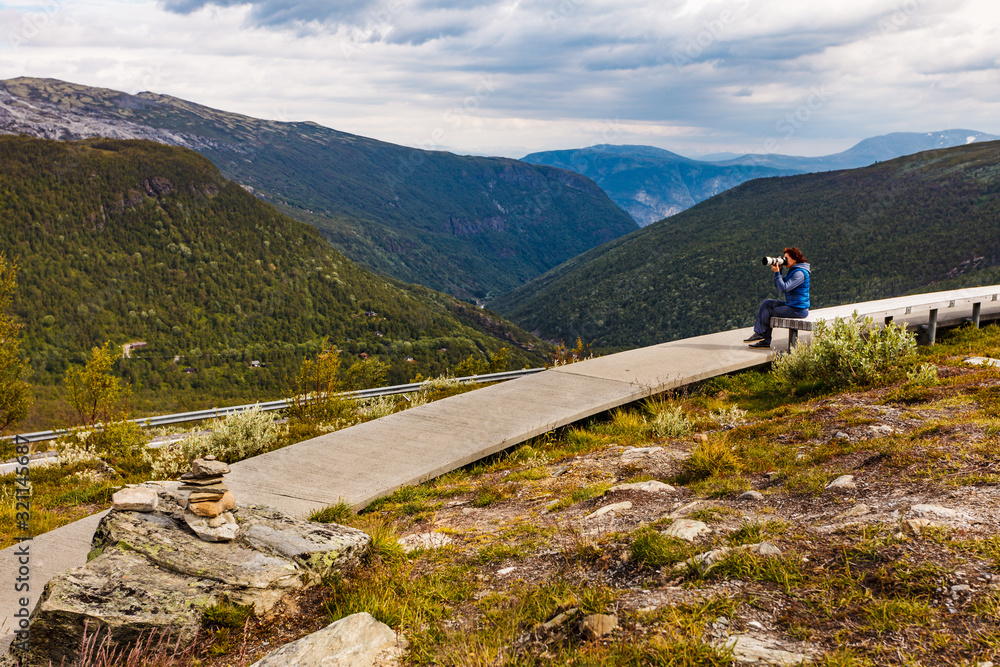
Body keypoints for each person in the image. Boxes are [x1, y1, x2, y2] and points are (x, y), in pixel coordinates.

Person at [745, 247, 811, 348]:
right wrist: (779, 272)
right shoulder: (794, 271)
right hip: (792, 305)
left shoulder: (800, 273)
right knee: (767, 303)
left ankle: (764, 340)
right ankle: (760, 335)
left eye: (786, 258)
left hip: (798, 309)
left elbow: (783, 288)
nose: (784, 260)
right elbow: (779, 285)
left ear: (794, 259)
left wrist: (777, 273)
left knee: (769, 311)